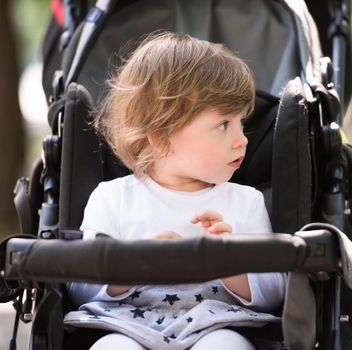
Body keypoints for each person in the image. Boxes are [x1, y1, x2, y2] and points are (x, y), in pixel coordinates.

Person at [64, 32, 286, 350]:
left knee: (226, 346)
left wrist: (230, 262)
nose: (242, 139)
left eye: (241, 123)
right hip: (124, 327)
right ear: (161, 137)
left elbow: (276, 292)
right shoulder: (111, 198)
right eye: (224, 125)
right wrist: (131, 265)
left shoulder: (245, 202)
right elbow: (77, 287)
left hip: (216, 326)